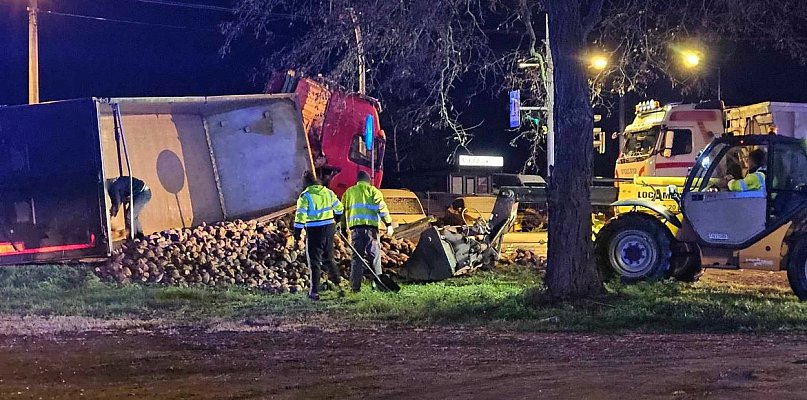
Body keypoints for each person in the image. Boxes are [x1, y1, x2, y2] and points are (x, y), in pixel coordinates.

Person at [293, 171, 344, 301]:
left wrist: (297, 235)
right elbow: (339, 208)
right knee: (329, 258)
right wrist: (336, 220)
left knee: (314, 261)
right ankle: (340, 286)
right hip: (329, 229)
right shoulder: (327, 192)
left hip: (314, 231)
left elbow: (300, 217)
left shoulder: (305, 196)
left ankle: (314, 291)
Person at [340, 171, 393, 292]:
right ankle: (379, 285)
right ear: (368, 181)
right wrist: (388, 223)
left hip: (355, 230)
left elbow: (342, 212)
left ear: (357, 180)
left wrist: (343, 228)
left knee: (356, 259)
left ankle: (355, 288)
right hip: (371, 231)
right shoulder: (373, 191)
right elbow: (382, 208)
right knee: (374, 257)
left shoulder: (349, 192)